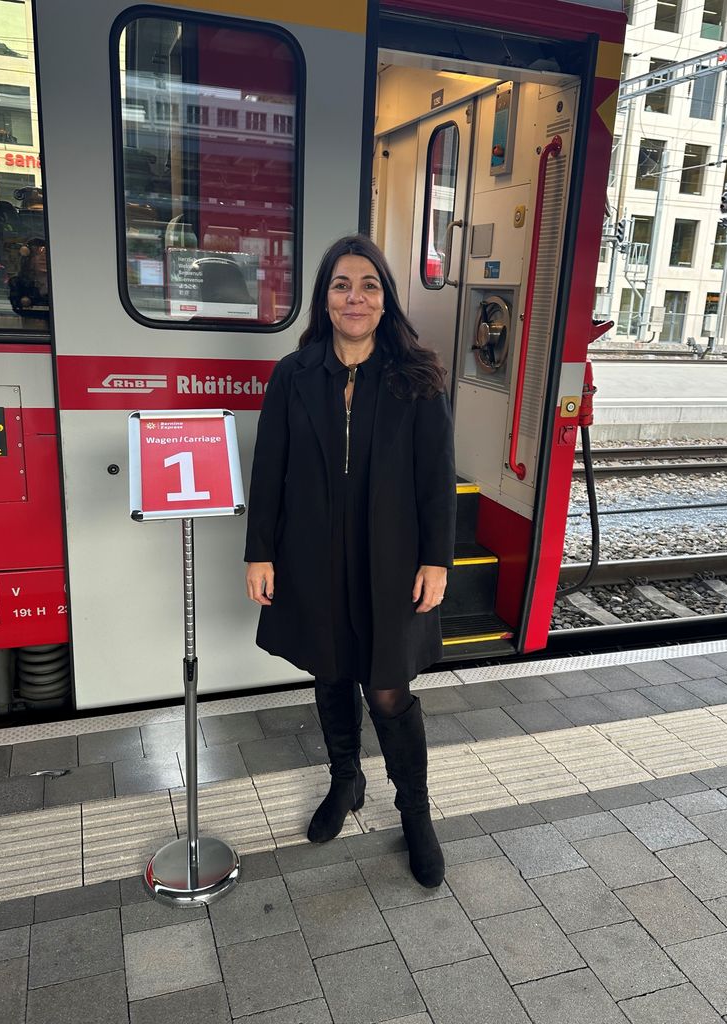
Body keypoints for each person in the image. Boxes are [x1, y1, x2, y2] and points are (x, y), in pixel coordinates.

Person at [245, 234, 456, 888]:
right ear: (325, 298)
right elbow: (270, 470)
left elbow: (435, 478)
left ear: (385, 297)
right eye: (342, 285)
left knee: (388, 688)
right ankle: (346, 782)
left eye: (368, 285)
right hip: (312, 556)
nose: (355, 297)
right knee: (330, 671)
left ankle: (414, 812)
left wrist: (437, 561)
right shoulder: (295, 373)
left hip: (392, 561)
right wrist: (260, 553)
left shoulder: (416, 375)